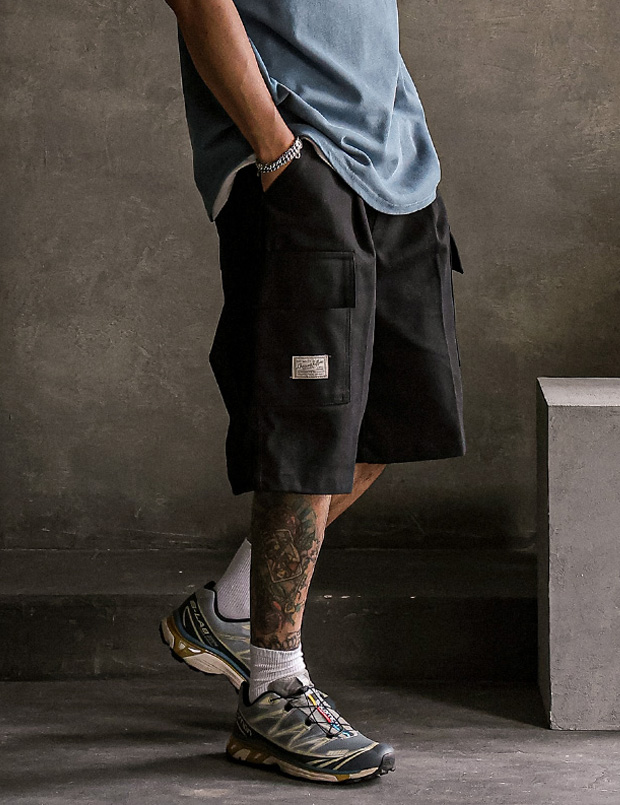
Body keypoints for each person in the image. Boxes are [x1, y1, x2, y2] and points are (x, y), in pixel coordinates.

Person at [159, 0, 466, 784]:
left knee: (387, 423)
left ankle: (230, 612)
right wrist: (277, 150)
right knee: (308, 434)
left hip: (396, 162)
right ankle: (273, 689)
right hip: (298, 161)